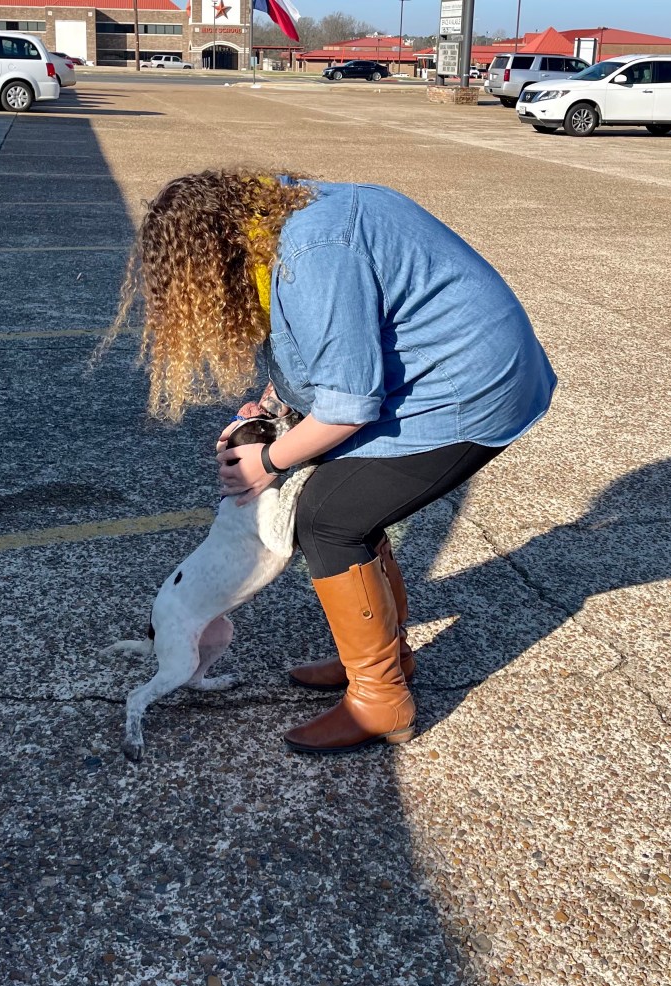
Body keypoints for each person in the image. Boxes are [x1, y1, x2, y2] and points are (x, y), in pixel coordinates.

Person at [107, 169, 557, 755]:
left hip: (468, 391)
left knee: (327, 516)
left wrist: (266, 460)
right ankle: (382, 658)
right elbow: (322, 351)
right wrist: (268, 407)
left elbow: (347, 404)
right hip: (444, 375)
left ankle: (381, 700)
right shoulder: (281, 222)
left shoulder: (314, 252)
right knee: (349, 495)